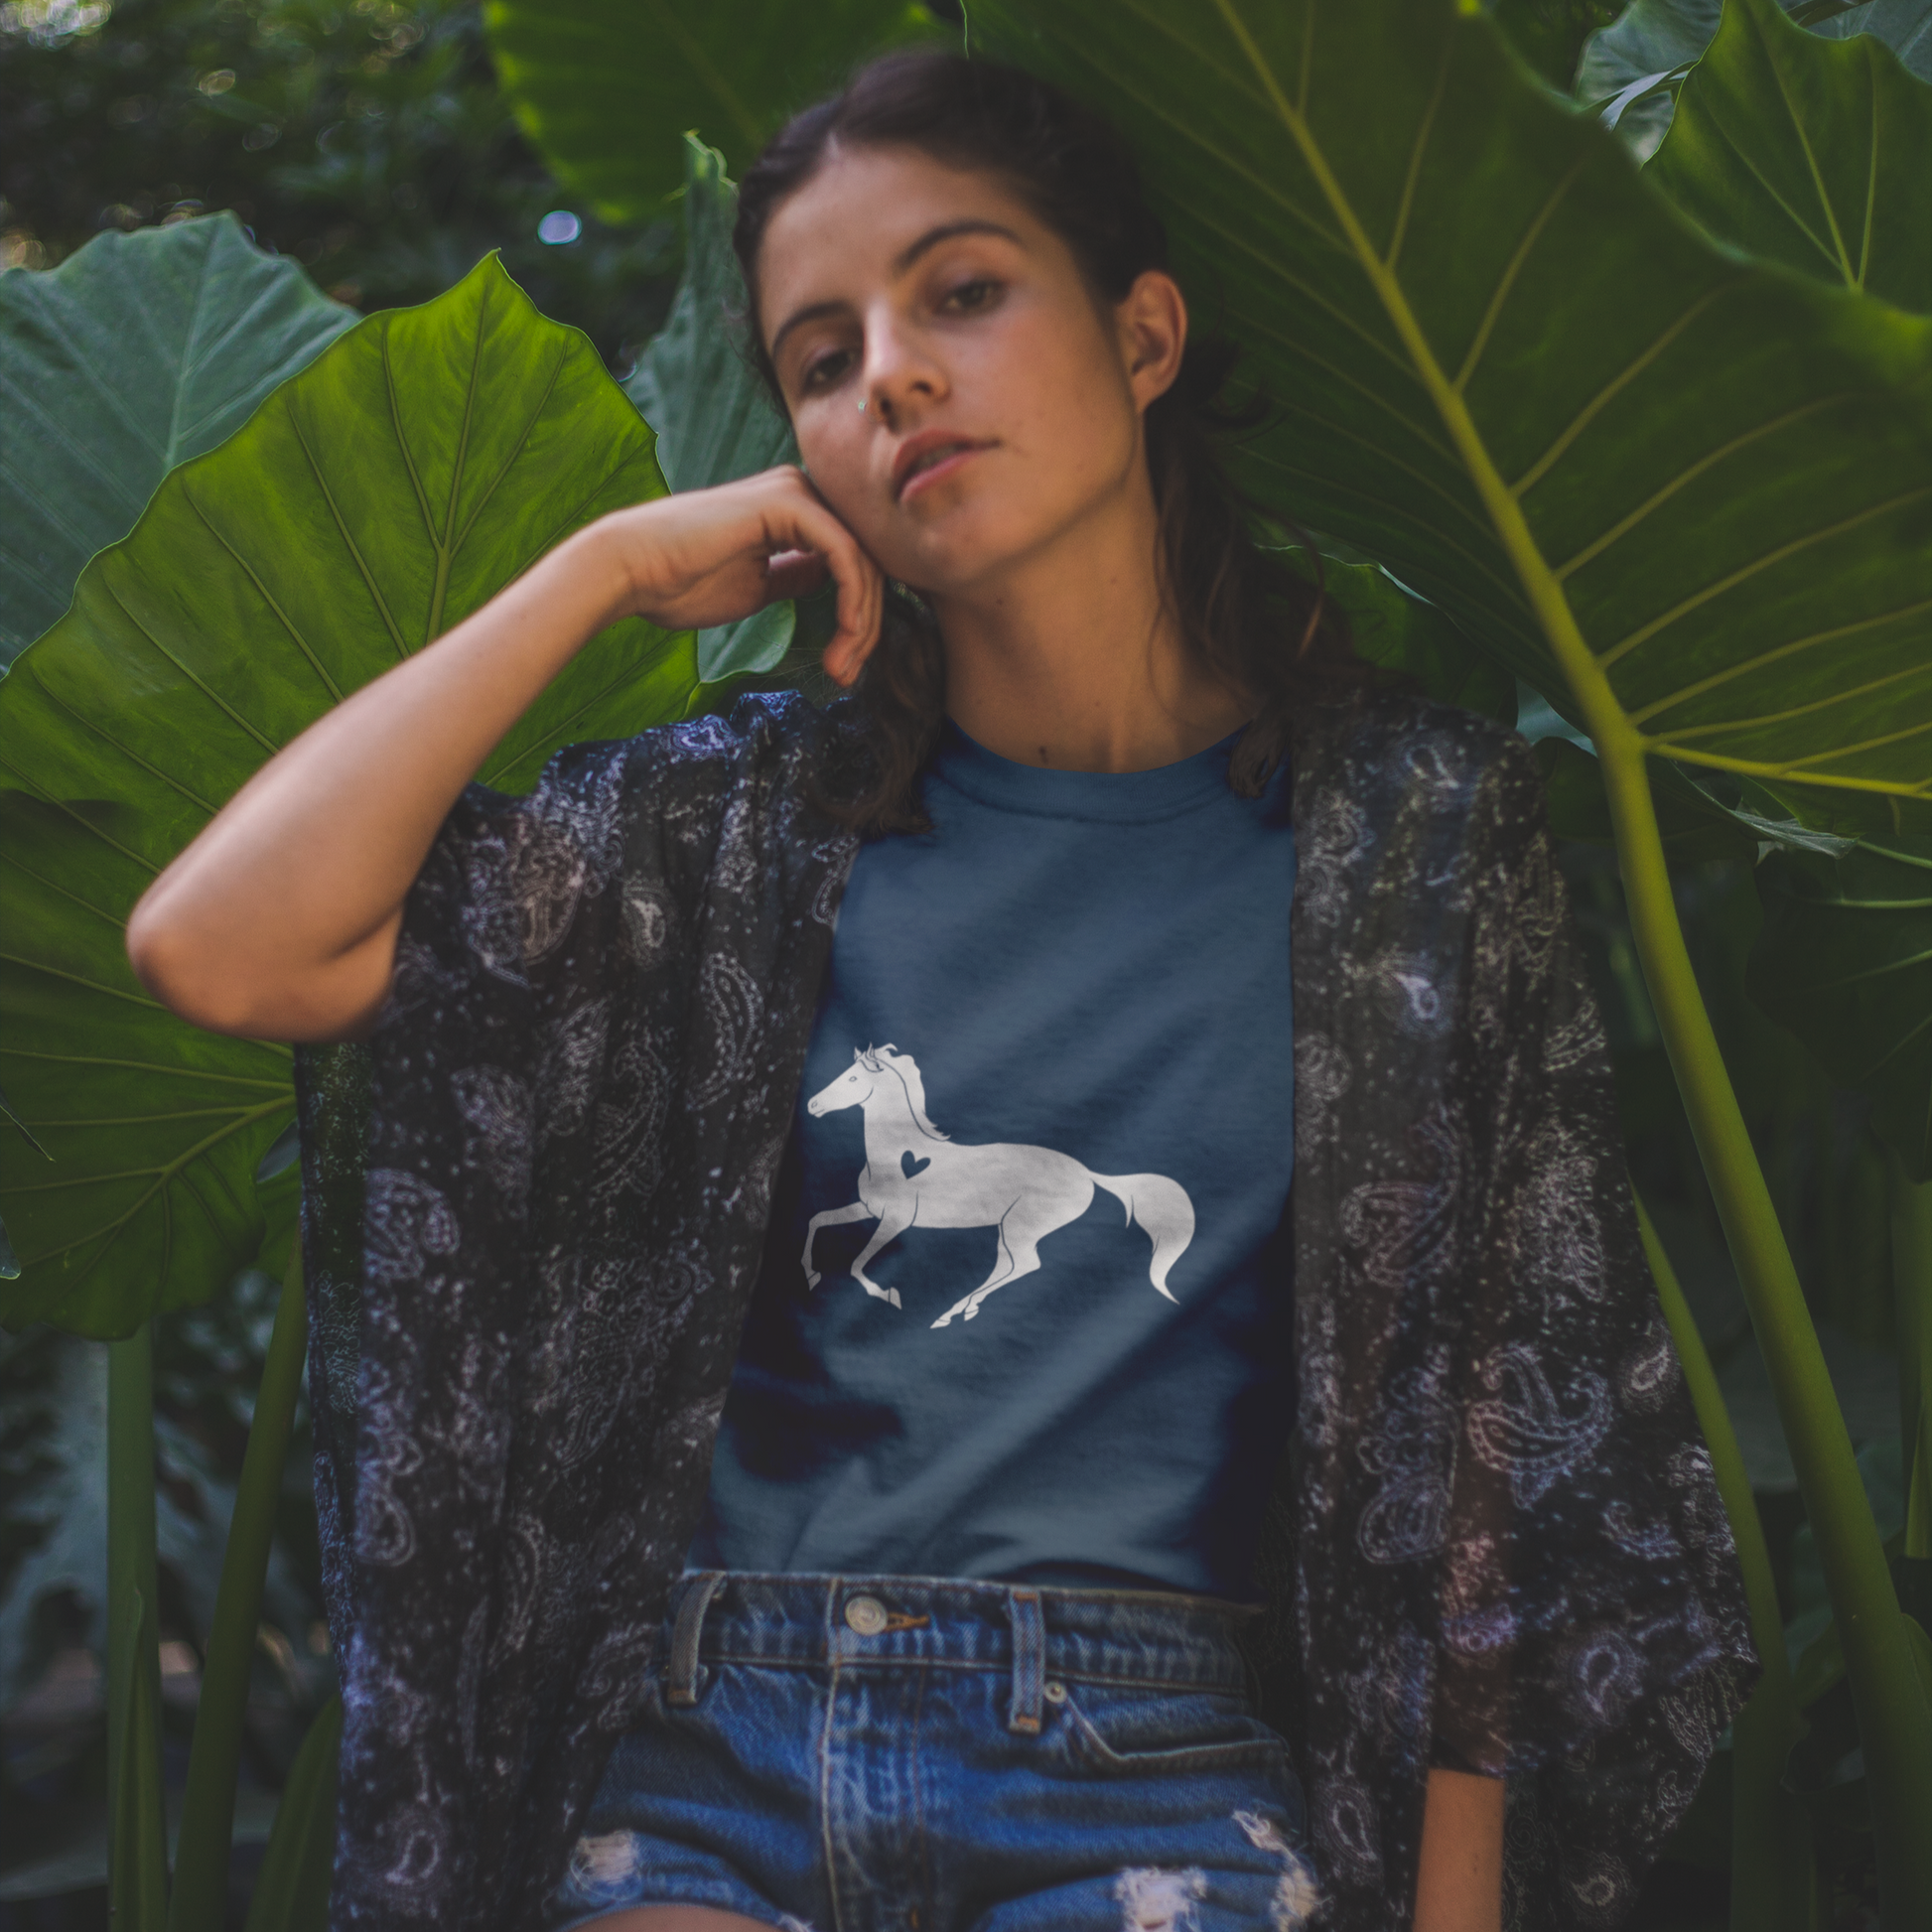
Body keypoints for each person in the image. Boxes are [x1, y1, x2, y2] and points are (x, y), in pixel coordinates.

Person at [126, 50, 1756, 1932]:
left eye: (960, 292)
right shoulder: (730, 829)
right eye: (820, 356)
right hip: (710, 1759)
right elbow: (220, 946)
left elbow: (1491, 1456)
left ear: (1144, 335)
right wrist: (591, 571)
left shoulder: (1414, 834)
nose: (887, 368)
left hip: (1151, 1773)